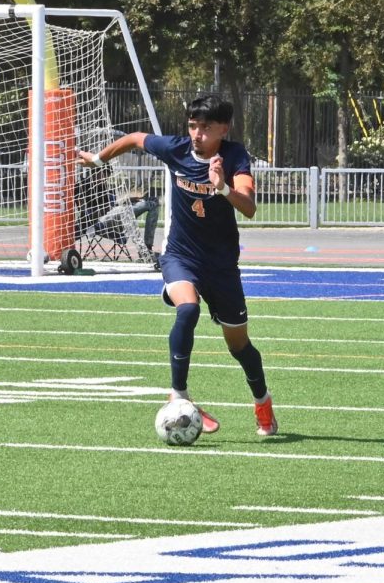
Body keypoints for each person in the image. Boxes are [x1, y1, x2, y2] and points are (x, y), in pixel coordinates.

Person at [77, 94, 278, 436]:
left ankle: (263, 402)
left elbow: (248, 207)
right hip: (180, 256)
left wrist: (223, 187)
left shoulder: (233, 156)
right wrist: (99, 159)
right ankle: (179, 395)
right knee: (187, 310)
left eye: (205, 127)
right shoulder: (176, 149)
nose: (196, 134)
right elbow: (135, 139)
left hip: (221, 266)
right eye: (192, 126)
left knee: (239, 346)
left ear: (223, 129)